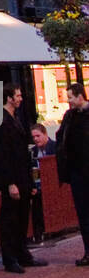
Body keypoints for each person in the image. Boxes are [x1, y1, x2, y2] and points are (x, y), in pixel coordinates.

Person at [0, 83, 47, 273]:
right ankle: (10, 258)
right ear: (8, 98)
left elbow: (23, 150)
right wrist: (10, 183)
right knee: (9, 218)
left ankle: (22, 253)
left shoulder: (17, 118)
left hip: (22, 175)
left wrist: (30, 181)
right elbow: (3, 154)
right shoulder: (0, 119)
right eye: (17, 95)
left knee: (23, 215)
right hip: (12, 177)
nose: (20, 98)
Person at [57, 83, 89, 266]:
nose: (68, 101)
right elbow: (62, 137)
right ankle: (88, 251)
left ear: (79, 96)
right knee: (83, 214)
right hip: (77, 172)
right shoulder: (69, 116)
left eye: (70, 97)